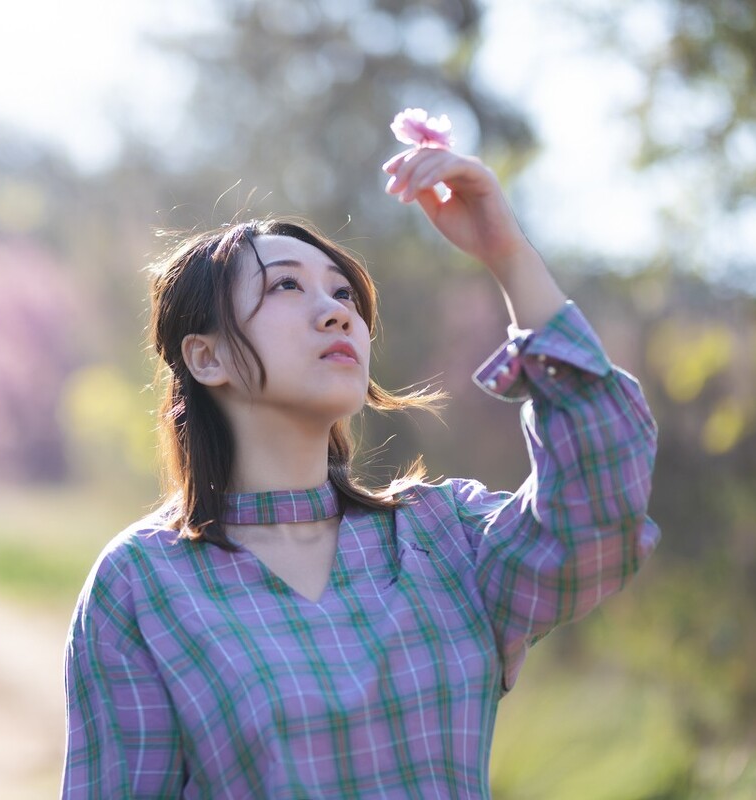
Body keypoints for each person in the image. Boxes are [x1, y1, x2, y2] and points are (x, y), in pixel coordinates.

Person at [60, 140, 660, 798]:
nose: (337, 310)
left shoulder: (445, 539)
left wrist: (506, 252)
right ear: (208, 358)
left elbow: (601, 503)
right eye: (286, 285)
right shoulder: (142, 583)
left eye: (344, 292)